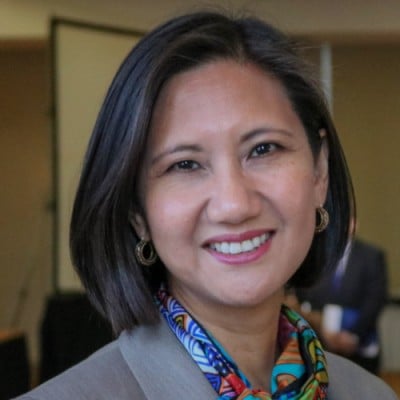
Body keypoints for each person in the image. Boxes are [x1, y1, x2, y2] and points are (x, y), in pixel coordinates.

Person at [15, 10, 397, 400]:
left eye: (263, 149)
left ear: (319, 172)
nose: (234, 205)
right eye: (185, 165)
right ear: (137, 213)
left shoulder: (372, 394)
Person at [294, 236, 388, 375]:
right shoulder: (313, 253)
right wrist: (321, 328)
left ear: (355, 225)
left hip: (358, 349)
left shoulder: (371, 254)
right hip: (317, 347)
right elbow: (302, 295)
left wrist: (353, 335)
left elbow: (375, 300)